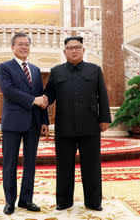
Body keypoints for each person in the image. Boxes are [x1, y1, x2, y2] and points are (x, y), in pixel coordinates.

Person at [42, 36, 110, 211]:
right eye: (70, 48)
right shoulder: (56, 72)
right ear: (64, 51)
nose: (74, 50)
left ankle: (94, 202)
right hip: (65, 127)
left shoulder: (94, 70)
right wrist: (43, 102)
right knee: (64, 166)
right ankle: (64, 201)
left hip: (90, 125)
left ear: (83, 50)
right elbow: (49, 95)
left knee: (92, 166)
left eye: (77, 47)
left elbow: (102, 95)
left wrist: (104, 119)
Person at [0, 32, 49, 215]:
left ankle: (26, 199)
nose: (24, 47)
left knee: (30, 163)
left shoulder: (35, 69)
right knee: (9, 163)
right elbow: (9, 91)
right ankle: (10, 201)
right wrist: (33, 101)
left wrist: (44, 120)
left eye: (26, 44)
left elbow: (41, 94)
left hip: (33, 123)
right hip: (13, 122)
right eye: (20, 44)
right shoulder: (4, 67)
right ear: (12, 47)